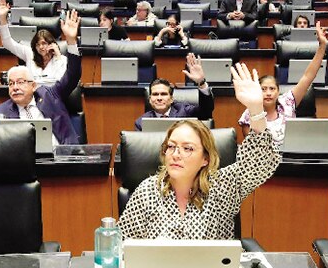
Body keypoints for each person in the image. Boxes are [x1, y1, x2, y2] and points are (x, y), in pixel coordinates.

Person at [119, 65, 281, 240]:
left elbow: (261, 161)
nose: (176, 154)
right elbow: (122, 244)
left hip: (212, 267)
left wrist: (256, 110)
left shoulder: (222, 188)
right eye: (171, 146)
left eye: (187, 148)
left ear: (205, 159)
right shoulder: (147, 191)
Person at [0, 11, 82, 145]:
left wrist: (70, 41)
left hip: (59, 154)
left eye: (21, 82)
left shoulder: (51, 93)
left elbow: (72, 75)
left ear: (33, 85)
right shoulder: (0, 112)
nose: (15, 87)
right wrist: (2, 18)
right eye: (11, 83)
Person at [237, 22, 327, 145]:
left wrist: (322, 46)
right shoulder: (249, 114)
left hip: (292, 157)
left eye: (272, 89)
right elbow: (253, 150)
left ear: (278, 91)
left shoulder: (288, 102)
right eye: (263, 89)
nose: (268, 93)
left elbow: (307, 77)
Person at [0, 0, 69, 85]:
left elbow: (63, 83)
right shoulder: (30, 54)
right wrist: (3, 17)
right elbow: (7, 43)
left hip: (52, 97)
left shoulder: (61, 59)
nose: (41, 47)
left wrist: (58, 55)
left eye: (44, 43)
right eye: (38, 44)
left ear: (51, 44)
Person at [134, 55, 213, 129]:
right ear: (150, 99)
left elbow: (206, 111)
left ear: (171, 99)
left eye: (163, 94)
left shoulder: (184, 112)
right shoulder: (141, 122)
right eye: (155, 94)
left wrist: (201, 83)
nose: (159, 98)